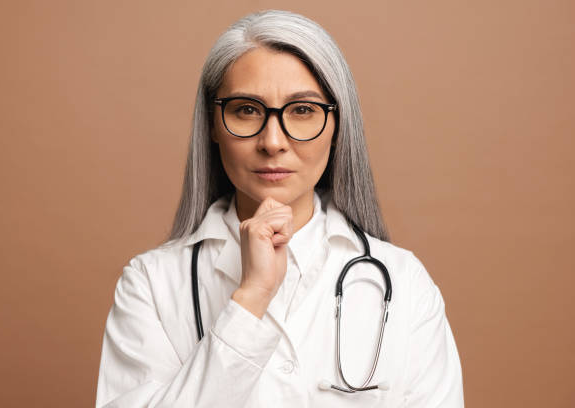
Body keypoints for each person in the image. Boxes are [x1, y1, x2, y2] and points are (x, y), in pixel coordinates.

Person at [95, 9, 464, 408]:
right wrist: (251, 297)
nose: (273, 141)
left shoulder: (403, 281)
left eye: (303, 111)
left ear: (339, 127)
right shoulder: (151, 284)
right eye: (247, 110)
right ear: (213, 126)